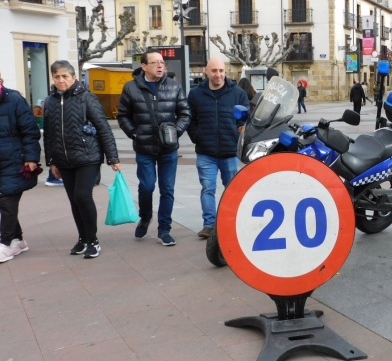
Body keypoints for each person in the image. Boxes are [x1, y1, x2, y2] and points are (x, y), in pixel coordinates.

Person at [43, 61, 121, 258]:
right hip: (64, 159)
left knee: (82, 196)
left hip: (88, 156)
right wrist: (51, 161)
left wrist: (112, 157)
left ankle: (93, 240)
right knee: (74, 200)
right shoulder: (50, 101)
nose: (60, 80)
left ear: (73, 77)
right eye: (57, 77)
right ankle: (82, 238)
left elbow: (103, 127)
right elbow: (49, 134)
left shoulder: (87, 98)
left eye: (64, 76)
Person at [117, 48, 191, 246]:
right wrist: (134, 133)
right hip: (144, 149)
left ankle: (164, 229)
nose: (160, 65)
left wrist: (175, 132)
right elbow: (122, 115)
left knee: (167, 190)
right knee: (147, 187)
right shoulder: (131, 88)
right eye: (155, 62)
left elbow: (185, 113)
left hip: (168, 149)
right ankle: (145, 217)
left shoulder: (174, 86)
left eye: (162, 62)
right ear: (144, 66)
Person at [187, 58, 249, 239]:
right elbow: (190, 120)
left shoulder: (237, 92)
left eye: (221, 70)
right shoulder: (196, 94)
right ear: (206, 71)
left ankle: (230, 222)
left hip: (230, 152)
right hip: (206, 151)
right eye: (214, 70)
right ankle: (209, 225)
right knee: (207, 188)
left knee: (231, 189)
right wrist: (196, 136)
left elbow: (245, 120)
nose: (218, 74)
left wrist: (238, 137)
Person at [0, 71, 41, 262]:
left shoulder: (15, 100)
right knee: (4, 201)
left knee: (8, 201)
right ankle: (18, 240)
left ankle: (5, 243)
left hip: (14, 160)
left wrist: (31, 158)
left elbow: (30, 131)